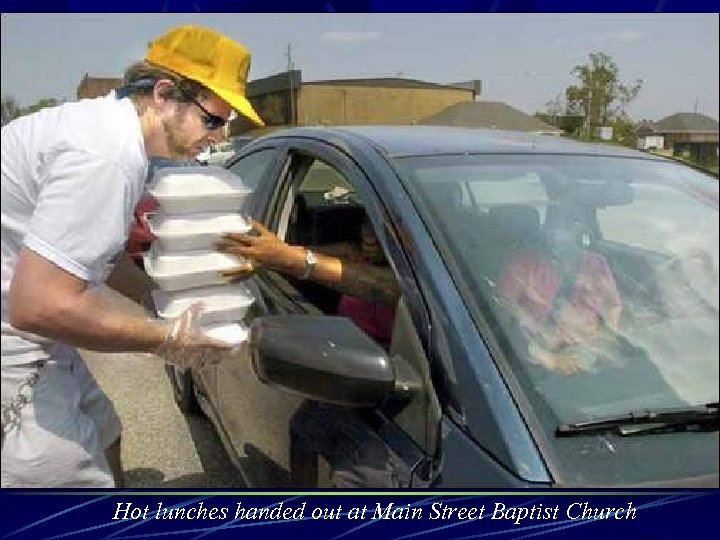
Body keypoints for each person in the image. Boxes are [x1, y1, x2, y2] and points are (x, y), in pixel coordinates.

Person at [1, 25, 265, 488]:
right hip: (13, 343)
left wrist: (152, 296)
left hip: (33, 335)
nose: (218, 136)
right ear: (164, 94)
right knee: (68, 484)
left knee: (106, 433)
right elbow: (40, 305)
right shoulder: (105, 155)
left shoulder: (113, 134)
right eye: (213, 120)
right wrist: (165, 338)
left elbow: (88, 255)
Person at [216, 217, 400, 347]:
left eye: (383, 227)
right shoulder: (354, 254)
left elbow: (387, 285)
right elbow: (297, 252)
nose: (369, 232)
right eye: (368, 221)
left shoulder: (414, 281)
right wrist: (274, 257)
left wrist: (288, 259)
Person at [497, 212, 623, 374]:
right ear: (546, 230)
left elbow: (613, 305)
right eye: (560, 225)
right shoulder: (523, 263)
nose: (566, 232)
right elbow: (502, 318)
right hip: (540, 356)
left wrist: (606, 339)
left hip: (588, 351)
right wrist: (548, 358)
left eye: (574, 224)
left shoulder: (596, 262)